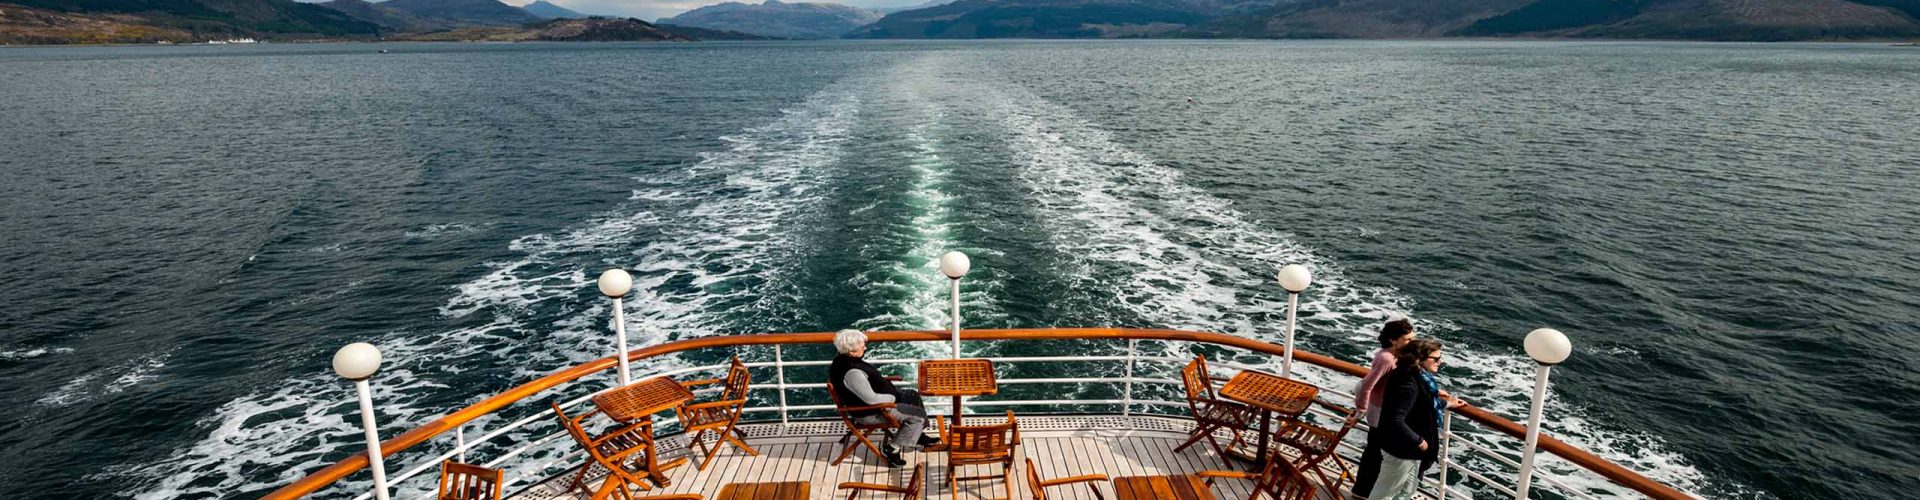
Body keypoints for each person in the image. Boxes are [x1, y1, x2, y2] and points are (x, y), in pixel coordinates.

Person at [1365, 339, 1466, 500]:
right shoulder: (1408, 383)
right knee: (1384, 494)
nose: (1440, 362)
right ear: (1419, 358)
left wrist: (1448, 403)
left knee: (1408, 491)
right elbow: (1395, 419)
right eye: (1436, 358)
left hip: (1409, 451)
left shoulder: (1416, 376)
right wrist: (1419, 440)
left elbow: (1423, 404)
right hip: (1400, 450)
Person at [828, 329, 938, 467]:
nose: (865, 348)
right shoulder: (852, 372)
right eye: (862, 346)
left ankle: (917, 436)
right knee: (918, 416)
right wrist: (892, 398)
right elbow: (871, 400)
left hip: (879, 404)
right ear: (851, 351)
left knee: (913, 395)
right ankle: (891, 450)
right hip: (873, 411)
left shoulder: (842, 360)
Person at [1350, 317, 1416, 499]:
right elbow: (1367, 385)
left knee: (1377, 455)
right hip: (1379, 414)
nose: (1413, 342)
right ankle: (1361, 493)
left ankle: (1363, 492)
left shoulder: (1398, 355)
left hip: (1386, 414)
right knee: (1374, 456)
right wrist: (1361, 410)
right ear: (1393, 340)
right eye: (1408, 339)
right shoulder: (1387, 358)